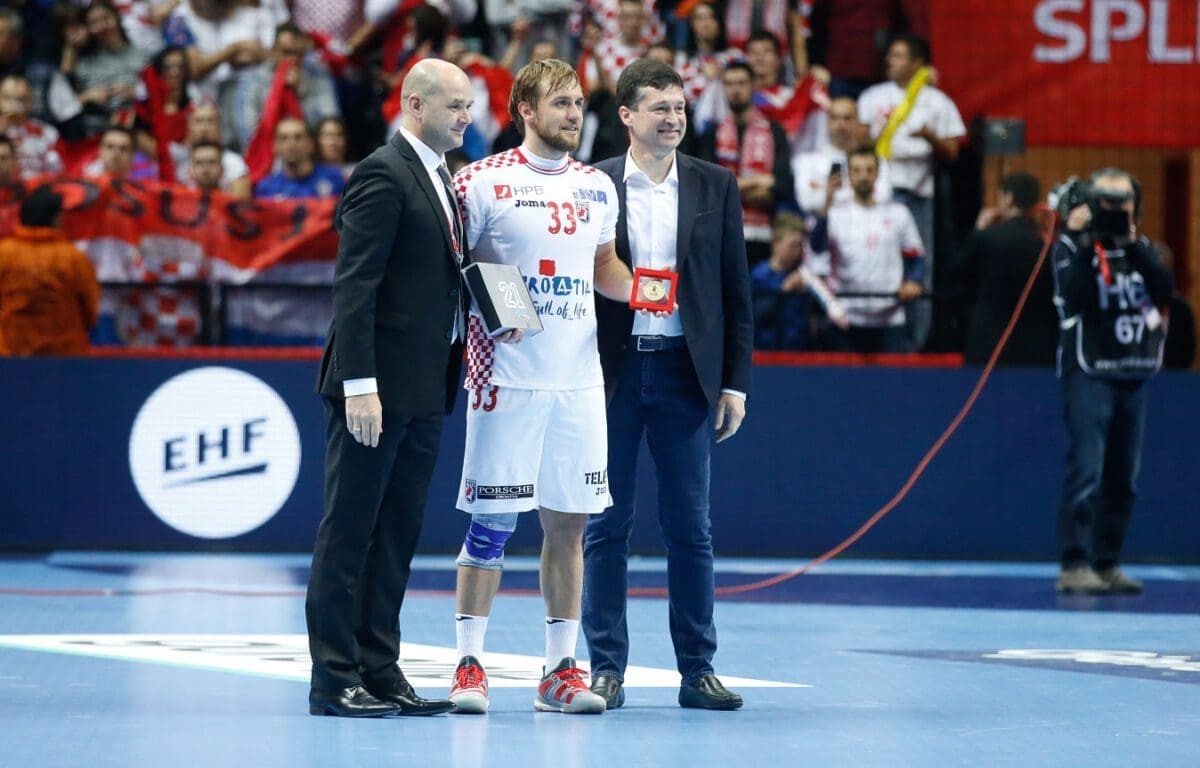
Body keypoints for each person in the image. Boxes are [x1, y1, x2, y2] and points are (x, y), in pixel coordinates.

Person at [446, 57, 636, 717]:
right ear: (525, 109)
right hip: (506, 378)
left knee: (570, 522)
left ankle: (559, 670)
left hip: (578, 381)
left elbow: (604, 265)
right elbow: (457, 265)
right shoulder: (481, 181)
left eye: (579, 102)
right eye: (561, 102)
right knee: (492, 523)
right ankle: (469, 663)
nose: (575, 113)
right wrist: (497, 304)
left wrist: (646, 290)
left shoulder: (597, 186)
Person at [583, 58, 753, 711]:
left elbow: (736, 293)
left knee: (691, 529)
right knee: (606, 527)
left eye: (679, 107)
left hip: (685, 372)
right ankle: (606, 669)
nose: (674, 118)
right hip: (612, 373)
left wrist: (735, 385)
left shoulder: (716, 184)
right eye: (660, 107)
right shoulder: (593, 183)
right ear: (627, 115)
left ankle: (698, 671)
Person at [305, 57, 471, 719]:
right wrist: (359, 385)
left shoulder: (441, 175)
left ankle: (378, 667)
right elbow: (355, 287)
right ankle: (333, 679)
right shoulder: (383, 172)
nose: (466, 117)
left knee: (397, 535)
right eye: (455, 105)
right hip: (375, 390)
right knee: (351, 532)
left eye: (468, 106)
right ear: (415, 105)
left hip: (427, 386)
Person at [1052, 168, 1173, 595]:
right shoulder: (1072, 248)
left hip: (1131, 371)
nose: (1116, 208)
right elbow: (1073, 299)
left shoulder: (1143, 250)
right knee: (1087, 470)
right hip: (1089, 373)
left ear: (1135, 206)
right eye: (1107, 200)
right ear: (1091, 203)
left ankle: (1107, 560)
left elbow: (1164, 291)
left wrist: (1130, 246)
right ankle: (1074, 562)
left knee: (1124, 476)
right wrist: (1088, 243)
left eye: (1123, 201)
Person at [858, 33, 964, 351]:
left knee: (918, 272)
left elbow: (953, 152)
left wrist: (929, 136)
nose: (889, 61)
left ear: (917, 62)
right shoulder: (873, 96)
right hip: (878, 195)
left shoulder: (936, 101)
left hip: (917, 194)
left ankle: (914, 344)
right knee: (875, 263)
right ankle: (872, 336)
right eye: (890, 55)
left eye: (898, 55)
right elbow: (859, 144)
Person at [809, 147, 924, 353]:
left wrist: (914, 281)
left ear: (877, 173)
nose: (863, 176)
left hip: (889, 317)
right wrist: (827, 200)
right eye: (857, 170)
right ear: (849, 175)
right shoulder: (835, 215)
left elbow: (916, 255)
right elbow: (816, 247)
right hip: (846, 316)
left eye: (869, 170)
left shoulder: (899, 213)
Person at [696, 61, 795, 267]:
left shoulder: (774, 131)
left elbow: (784, 184)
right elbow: (709, 185)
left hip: (764, 236)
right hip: (722, 235)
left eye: (741, 83)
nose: (735, 90)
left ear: (753, 86)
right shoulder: (712, 133)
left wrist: (733, 186)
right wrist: (758, 182)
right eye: (729, 84)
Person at [955, 172, 1057, 367]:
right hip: (1037, 347)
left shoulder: (987, 238)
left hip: (989, 345)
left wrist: (979, 229)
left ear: (1008, 198)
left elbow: (958, 272)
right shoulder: (1046, 244)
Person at [0, 186, 99, 356]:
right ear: (56, 218)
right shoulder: (73, 258)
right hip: (65, 355)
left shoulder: (4, 253)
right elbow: (90, 309)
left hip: (10, 354)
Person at [253, 117, 346, 199]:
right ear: (275, 147)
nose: (291, 144)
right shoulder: (266, 189)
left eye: (298, 137)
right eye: (284, 138)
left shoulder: (335, 179)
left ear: (310, 144)